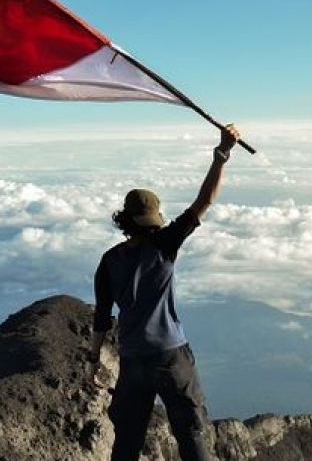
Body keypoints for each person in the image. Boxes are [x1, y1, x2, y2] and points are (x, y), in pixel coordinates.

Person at [87, 123, 240, 461]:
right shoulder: (165, 244)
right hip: (171, 356)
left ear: (125, 220)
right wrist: (221, 155)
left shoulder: (109, 260)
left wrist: (95, 358)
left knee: (127, 442)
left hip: (132, 359)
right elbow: (205, 200)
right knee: (192, 434)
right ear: (154, 218)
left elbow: (102, 318)